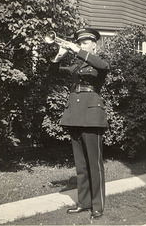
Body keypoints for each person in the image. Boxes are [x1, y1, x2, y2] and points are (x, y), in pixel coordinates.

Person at [50, 28, 110, 220]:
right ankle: (83, 203)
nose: (83, 45)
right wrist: (59, 56)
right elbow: (52, 74)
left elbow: (103, 65)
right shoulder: (75, 67)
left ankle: (97, 205)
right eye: (80, 42)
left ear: (94, 45)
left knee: (94, 164)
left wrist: (77, 50)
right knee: (81, 165)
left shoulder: (97, 64)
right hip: (74, 116)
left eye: (86, 42)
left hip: (92, 116)